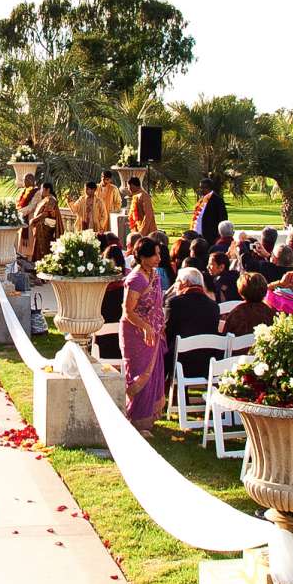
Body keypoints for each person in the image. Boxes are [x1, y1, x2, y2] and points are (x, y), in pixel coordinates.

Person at [121, 236, 169, 431]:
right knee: (139, 373)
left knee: (153, 373)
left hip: (152, 331)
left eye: (159, 254)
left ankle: (149, 419)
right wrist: (145, 326)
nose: (158, 258)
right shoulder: (135, 279)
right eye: (154, 254)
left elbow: (158, 304)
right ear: (142, 256)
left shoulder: (154, 275)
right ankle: (137, 420)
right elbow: (128, 311)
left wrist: (157, 326)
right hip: (135, 332)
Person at [165, 267, 225, 390]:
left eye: (177, 281)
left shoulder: (175, 303)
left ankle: (158, 392)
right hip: (206, 365)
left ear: (185, 283)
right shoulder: (214, 306)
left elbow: (167, 334)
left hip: (180, 364)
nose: (175, 286)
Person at [19, 180, 64, 264]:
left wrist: (34, 220)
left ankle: (43, 266)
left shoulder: (51, 200)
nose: (40, 191)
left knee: (43, 249)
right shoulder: (46, 199)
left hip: (45, 229)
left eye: (42, 189)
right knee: (38, 249)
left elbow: (45, 213)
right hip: (41, 229)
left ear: (47, 190)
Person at [218, 272, 272, 339]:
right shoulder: (269, 312)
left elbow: (225, 337)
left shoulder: (236, 313)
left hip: (237, 348)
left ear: (241, 291)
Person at [192, 178, 230, 245]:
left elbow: (223, 218)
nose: (201, 190)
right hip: (197, 234)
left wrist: (219, 234)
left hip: (210, 236)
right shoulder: (201, 199)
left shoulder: (217, 200)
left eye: (203, 187)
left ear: (209, 188)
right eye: (200, 187)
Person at [125, 176, 158, 241]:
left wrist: (142, 233)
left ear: (132, 186)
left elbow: (148, 215)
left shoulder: (144, 196)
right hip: (139, 230)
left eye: (128, 187)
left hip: (148, 232)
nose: (128, 189)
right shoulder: (136, 195)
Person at [94, 170, 123, 236]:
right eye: (103, 179)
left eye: (107, 179)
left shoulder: (114, 189)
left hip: (108, 216)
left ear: (110, 180)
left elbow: (118, 203)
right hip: (97, 215)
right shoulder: (96, 187)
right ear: (101, 177)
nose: (105, 181)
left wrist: (110, 210)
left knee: (107, 235)